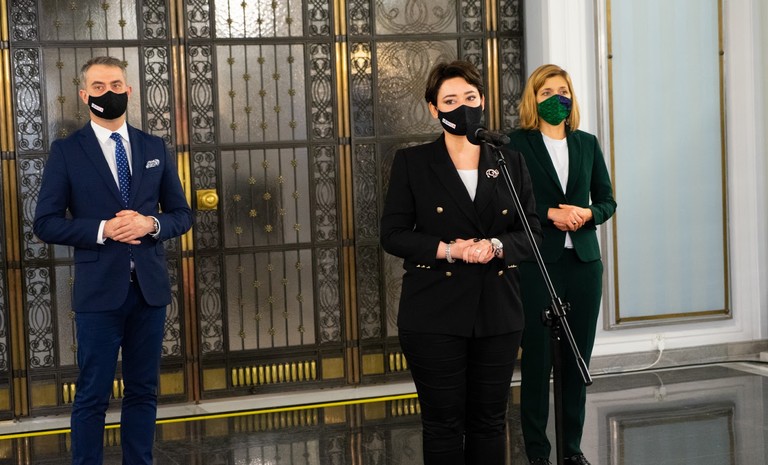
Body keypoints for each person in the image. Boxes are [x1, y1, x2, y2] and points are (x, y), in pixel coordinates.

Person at [380, 60, 541, 465]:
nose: (462, 107)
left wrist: (496, 246)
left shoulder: (508, 161)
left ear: (482, 101)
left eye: (470, 97)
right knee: (443, 424)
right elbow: (393, 235)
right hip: (433, 312)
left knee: (490, 422)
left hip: (498, 311)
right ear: (433, 109)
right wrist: (451, 250)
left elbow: (531, 234)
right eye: (450, 100)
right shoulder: (413, 162)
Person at [33, 56, 193, 465]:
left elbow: (182, 214)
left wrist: (149, 224)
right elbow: (46, 223)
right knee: (92, 394)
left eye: (116, 85)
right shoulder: (67, 152)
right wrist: (104, 229)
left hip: (149, 292)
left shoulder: (153, 147)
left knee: (143, 391)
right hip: (99, 293)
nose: (109, 93)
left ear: (129, 90)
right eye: (99, 87)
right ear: (84, 95)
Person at [507, 64, 617, 465]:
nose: (557, 98)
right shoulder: (516, 144)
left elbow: (607, 200)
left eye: (563, 91)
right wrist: (550, 212)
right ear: (533, 99)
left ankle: (572, 450)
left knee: (576, 361)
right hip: (539, 263)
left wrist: (587, 214)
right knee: (537, 363)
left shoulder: (587, 143)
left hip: (584, 264)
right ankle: (538, 454)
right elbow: (509, 201)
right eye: (547, 92)